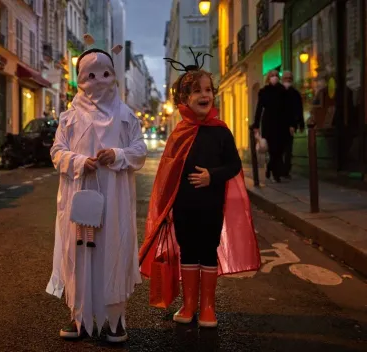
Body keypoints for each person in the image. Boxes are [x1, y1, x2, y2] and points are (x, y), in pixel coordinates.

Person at [139, 49, 261, 328]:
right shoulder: (178, 133)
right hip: (183, 208)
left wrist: (212, 176)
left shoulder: (221, 131)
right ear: (184, 99)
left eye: (208, 90)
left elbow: (234, 165)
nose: (204, 95)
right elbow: (168, 176)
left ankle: (207, 307)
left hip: (210, 207)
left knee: (207, 251)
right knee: (188, 252)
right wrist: (165, 209)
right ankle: (189, 304)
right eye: (196, 91)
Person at [45, 34, 147, 343]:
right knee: (77, 251)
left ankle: (114, 319)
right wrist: (77, 162)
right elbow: (56, 152)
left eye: (105, 74)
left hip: (114, 200)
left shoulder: (126, 116)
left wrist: (117, 155)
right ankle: (79, 317)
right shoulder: (69, 118)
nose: (98, 81)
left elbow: (139, 151)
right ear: (80, 79)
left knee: (111, 250)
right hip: (79, 200)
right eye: (90, 75)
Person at [252, 70, 294, 183]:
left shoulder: (283, 91)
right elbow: (259, 108)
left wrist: (291, 124)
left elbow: (288, 108)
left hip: (281, 123)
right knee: (273, 149)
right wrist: (256, 125)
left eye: (276, 75)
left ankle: (270, 167)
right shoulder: (264, 91)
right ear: (268, 78)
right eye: (272, 76)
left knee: (279, 149)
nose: (274, 77)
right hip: (268, 123)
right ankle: (276, 175)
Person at [281, 71, 304, 179]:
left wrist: (299, 124)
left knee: (288, 148)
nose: (288, 79)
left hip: (290, 125)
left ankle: (285, 170)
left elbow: (298, 109)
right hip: (278, 125)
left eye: (290, 78)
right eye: (286, 78)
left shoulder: (295, 93)